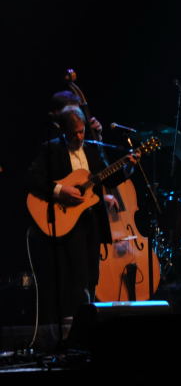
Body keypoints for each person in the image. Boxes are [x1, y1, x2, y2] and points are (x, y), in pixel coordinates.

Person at [27, 106, 135, 321]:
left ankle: (89, 316)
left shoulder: (92, 149)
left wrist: (127, 169)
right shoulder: (52, 149)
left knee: (92, 271)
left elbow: (107, 178)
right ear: (63, 131)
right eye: (74, 133)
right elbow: (32, 178)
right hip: (66, 219)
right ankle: (71, 318)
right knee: (75, 272)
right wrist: (60, 190)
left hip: (91, 218)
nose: (79, 137)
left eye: (82, 131)